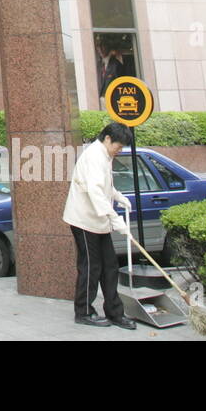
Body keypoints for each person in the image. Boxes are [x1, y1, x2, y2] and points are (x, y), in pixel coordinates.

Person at [62, 122, 137, 330]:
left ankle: (114, 312)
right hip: (84, 220)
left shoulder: (105, 155)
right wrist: (115, 219)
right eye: (118, 146)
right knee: (91, 267)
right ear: (107, 139)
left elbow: (104, 186)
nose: (119, 150)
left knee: (110, 266)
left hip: (99, 220)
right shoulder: (94, 156)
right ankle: (84, 311)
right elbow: (95, 191)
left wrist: (118, 196)